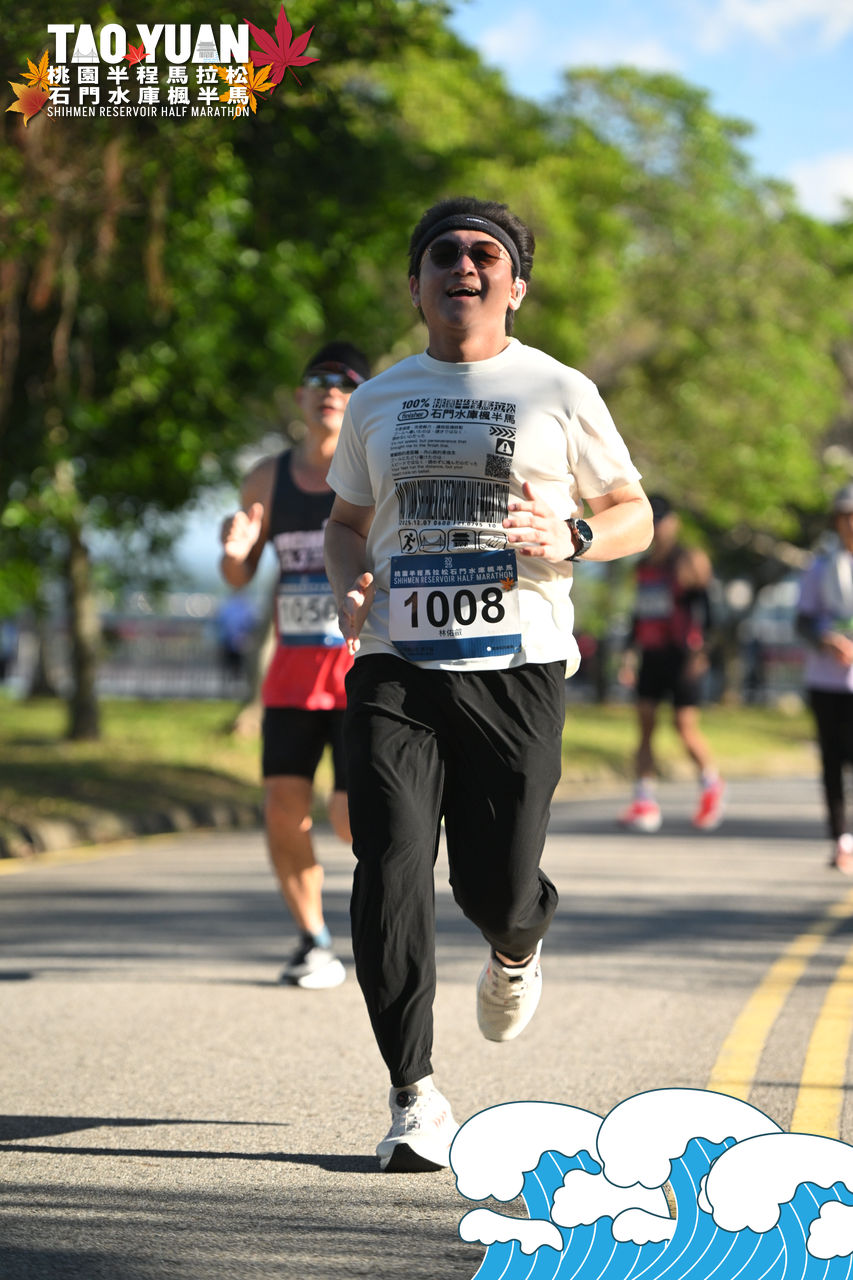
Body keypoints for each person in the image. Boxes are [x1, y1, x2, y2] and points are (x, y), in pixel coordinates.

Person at [323, 196, 652, 1173]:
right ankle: (412, 1094)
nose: (462, 266)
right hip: (394, 663)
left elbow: (631, 511)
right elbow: (345, 523)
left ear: (515, 286)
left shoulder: (558, 388)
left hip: (517, 665)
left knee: (496, 886)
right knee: (388, 866)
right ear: (415, 284)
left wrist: (576, 535)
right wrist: (347, 583)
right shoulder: (378, 400)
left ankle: (515, 946)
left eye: (483, 254)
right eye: (442, 254)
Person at [220, 341, 371, 988]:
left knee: (349, 817)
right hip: (290, 678)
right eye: (319, 379)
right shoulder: (266, 478)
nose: (331, 390)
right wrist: (234, 553)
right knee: (282, 810)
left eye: (346, 382)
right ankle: (313, 941)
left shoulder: (375, 472)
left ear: (361, 399)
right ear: (300, 396)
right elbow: (238, 575)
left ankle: (390, 913)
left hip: (361, 672)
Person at [618, 495, 724, 833]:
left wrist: (702, 653)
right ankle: (644, 800)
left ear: (673, 523)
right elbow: (638, 615)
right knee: (645, 725)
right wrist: (628, 654)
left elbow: (710, 612)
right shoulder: (643, 566)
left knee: (684, 726)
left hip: (683, 656)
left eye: (661, 520)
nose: (657, 527)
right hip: (651, 654)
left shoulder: (689, 560)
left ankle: (711, 784)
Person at [796, 482, 853, 873]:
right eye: (845, 517)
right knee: (833, 761)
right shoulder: (821, 567)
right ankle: (841, 839)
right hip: (827, 680)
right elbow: (802, 620)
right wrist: (826, 639)